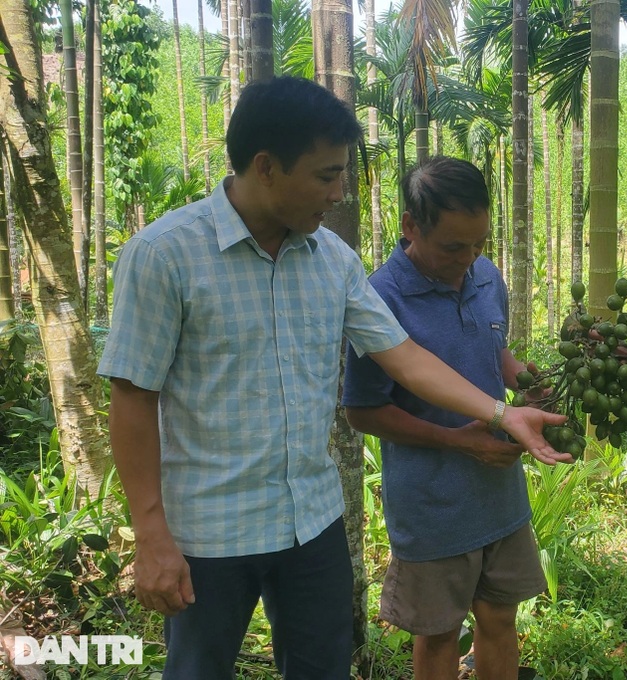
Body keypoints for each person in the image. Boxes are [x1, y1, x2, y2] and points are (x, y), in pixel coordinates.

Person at [98, 77, 569, 680]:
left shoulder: (333, 261)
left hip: (312, 526)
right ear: (266, 167)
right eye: (326, 175)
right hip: (208, 533)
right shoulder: (165, 255)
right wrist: (150, 533)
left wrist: (502, 413)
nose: (340, 190)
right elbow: (133, 397)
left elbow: (404, 356)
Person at [342, 156, 552, 680]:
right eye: (454, 247)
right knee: (438, 634)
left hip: (499, 493)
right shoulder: (379, 299)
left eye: (479, 243)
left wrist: (532, 382)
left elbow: (491, 352)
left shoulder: (484, 275)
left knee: (501, 618)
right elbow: (364, 411)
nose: (470, 258)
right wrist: (457, 440)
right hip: (431, 503)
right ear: (411, 226)